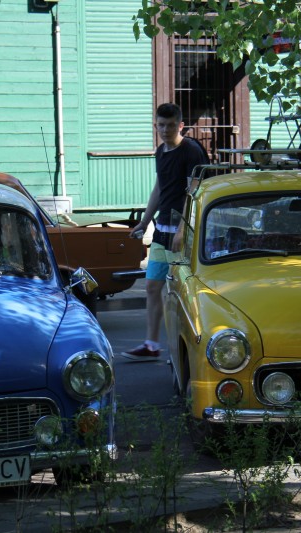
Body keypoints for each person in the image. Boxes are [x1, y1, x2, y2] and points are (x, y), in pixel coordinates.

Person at [122, 103, 209, 361]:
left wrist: (182, 230)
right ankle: (151, 345)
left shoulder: (191, 151)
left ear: (181, 126)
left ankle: (182, 350)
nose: (165, 130)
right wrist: (145, 222)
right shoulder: (161, 151)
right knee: (152, 286)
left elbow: (194, 192)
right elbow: (159, 188)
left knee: (179, 293)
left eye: (171, 125)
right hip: (162, 231)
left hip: (184, 234)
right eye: (161, 125)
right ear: (156, 126)